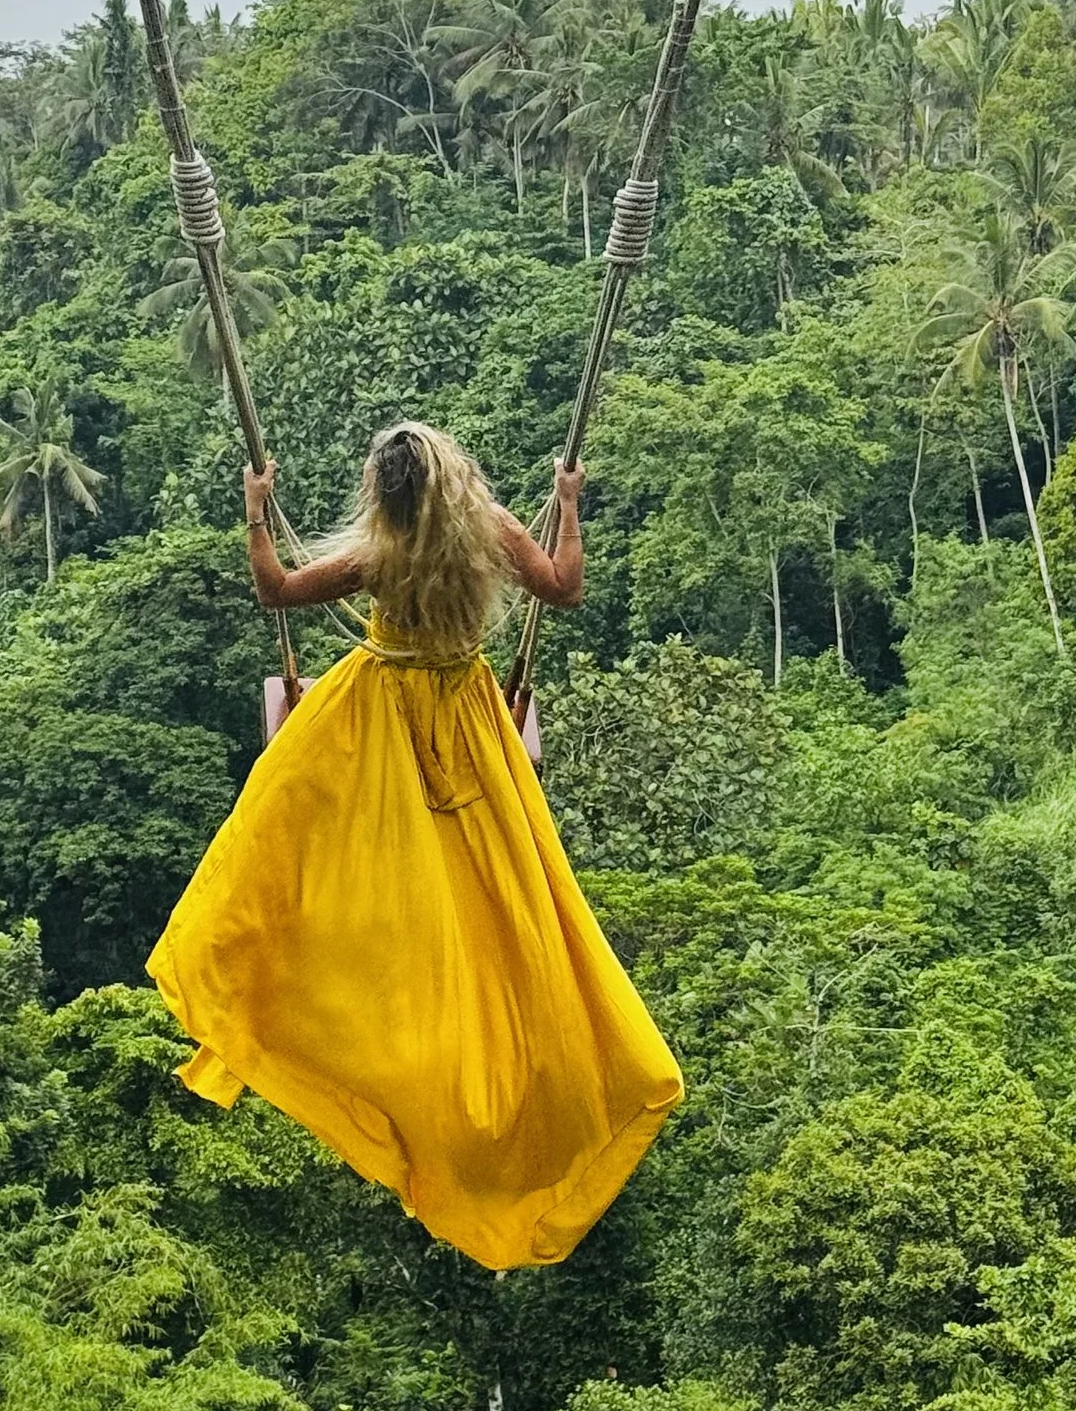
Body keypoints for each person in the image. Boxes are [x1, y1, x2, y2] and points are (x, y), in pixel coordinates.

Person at [146, 420, 683, 1270]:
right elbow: (564, 586)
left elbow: (276, 589)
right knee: (498, 888)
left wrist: (256, 510)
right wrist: (568, 504)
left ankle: (272, 978)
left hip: (383, 716)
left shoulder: (379, 552)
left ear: (383, 494)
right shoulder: (489, 531)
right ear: (452, 477)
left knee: (290, 822)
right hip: (466, 718)